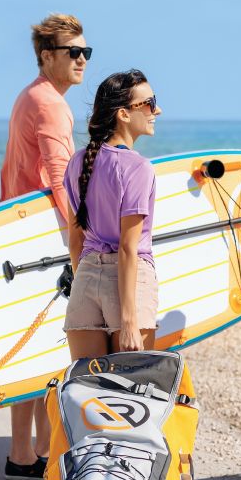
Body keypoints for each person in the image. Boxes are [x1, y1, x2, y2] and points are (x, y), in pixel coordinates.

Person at [0, 13, 89, 480]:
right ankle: (30, 451)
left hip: (20, 231)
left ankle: (27, 451)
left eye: (86, 53)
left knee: (32, 345)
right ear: (46, 56)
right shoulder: (50, 104)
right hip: (40, 236)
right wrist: (81, 236)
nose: (81, 61)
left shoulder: (30, 96)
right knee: (47, 347)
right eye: (73, 52)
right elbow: (59, 177)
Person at [62, 70, 161, 360]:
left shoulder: (78, 162)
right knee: (131, 395)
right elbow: (128, 248)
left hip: (86, 279)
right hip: (128, 284)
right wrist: (129, 321)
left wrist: (86, 282)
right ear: (124, 114)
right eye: (149, 102)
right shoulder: (137, 167)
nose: (157, 110)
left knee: (88, 393)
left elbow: (75, 241)